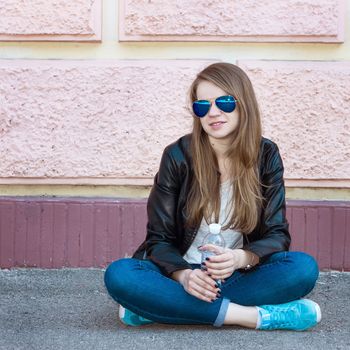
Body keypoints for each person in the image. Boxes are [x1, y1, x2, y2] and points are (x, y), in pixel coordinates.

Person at [104, 62, 321, 330]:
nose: (213, 112)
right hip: (180, 274)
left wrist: (240, 258)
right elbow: (158, 241)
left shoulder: (265, 155)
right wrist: (184, 275)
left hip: (237, 273)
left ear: (244, 103)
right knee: (121, 275)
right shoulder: (177, 156)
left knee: (303, 268)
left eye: (225, 102)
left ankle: (159, 308)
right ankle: (257, 317)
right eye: (202, 106)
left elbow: (277, 236)